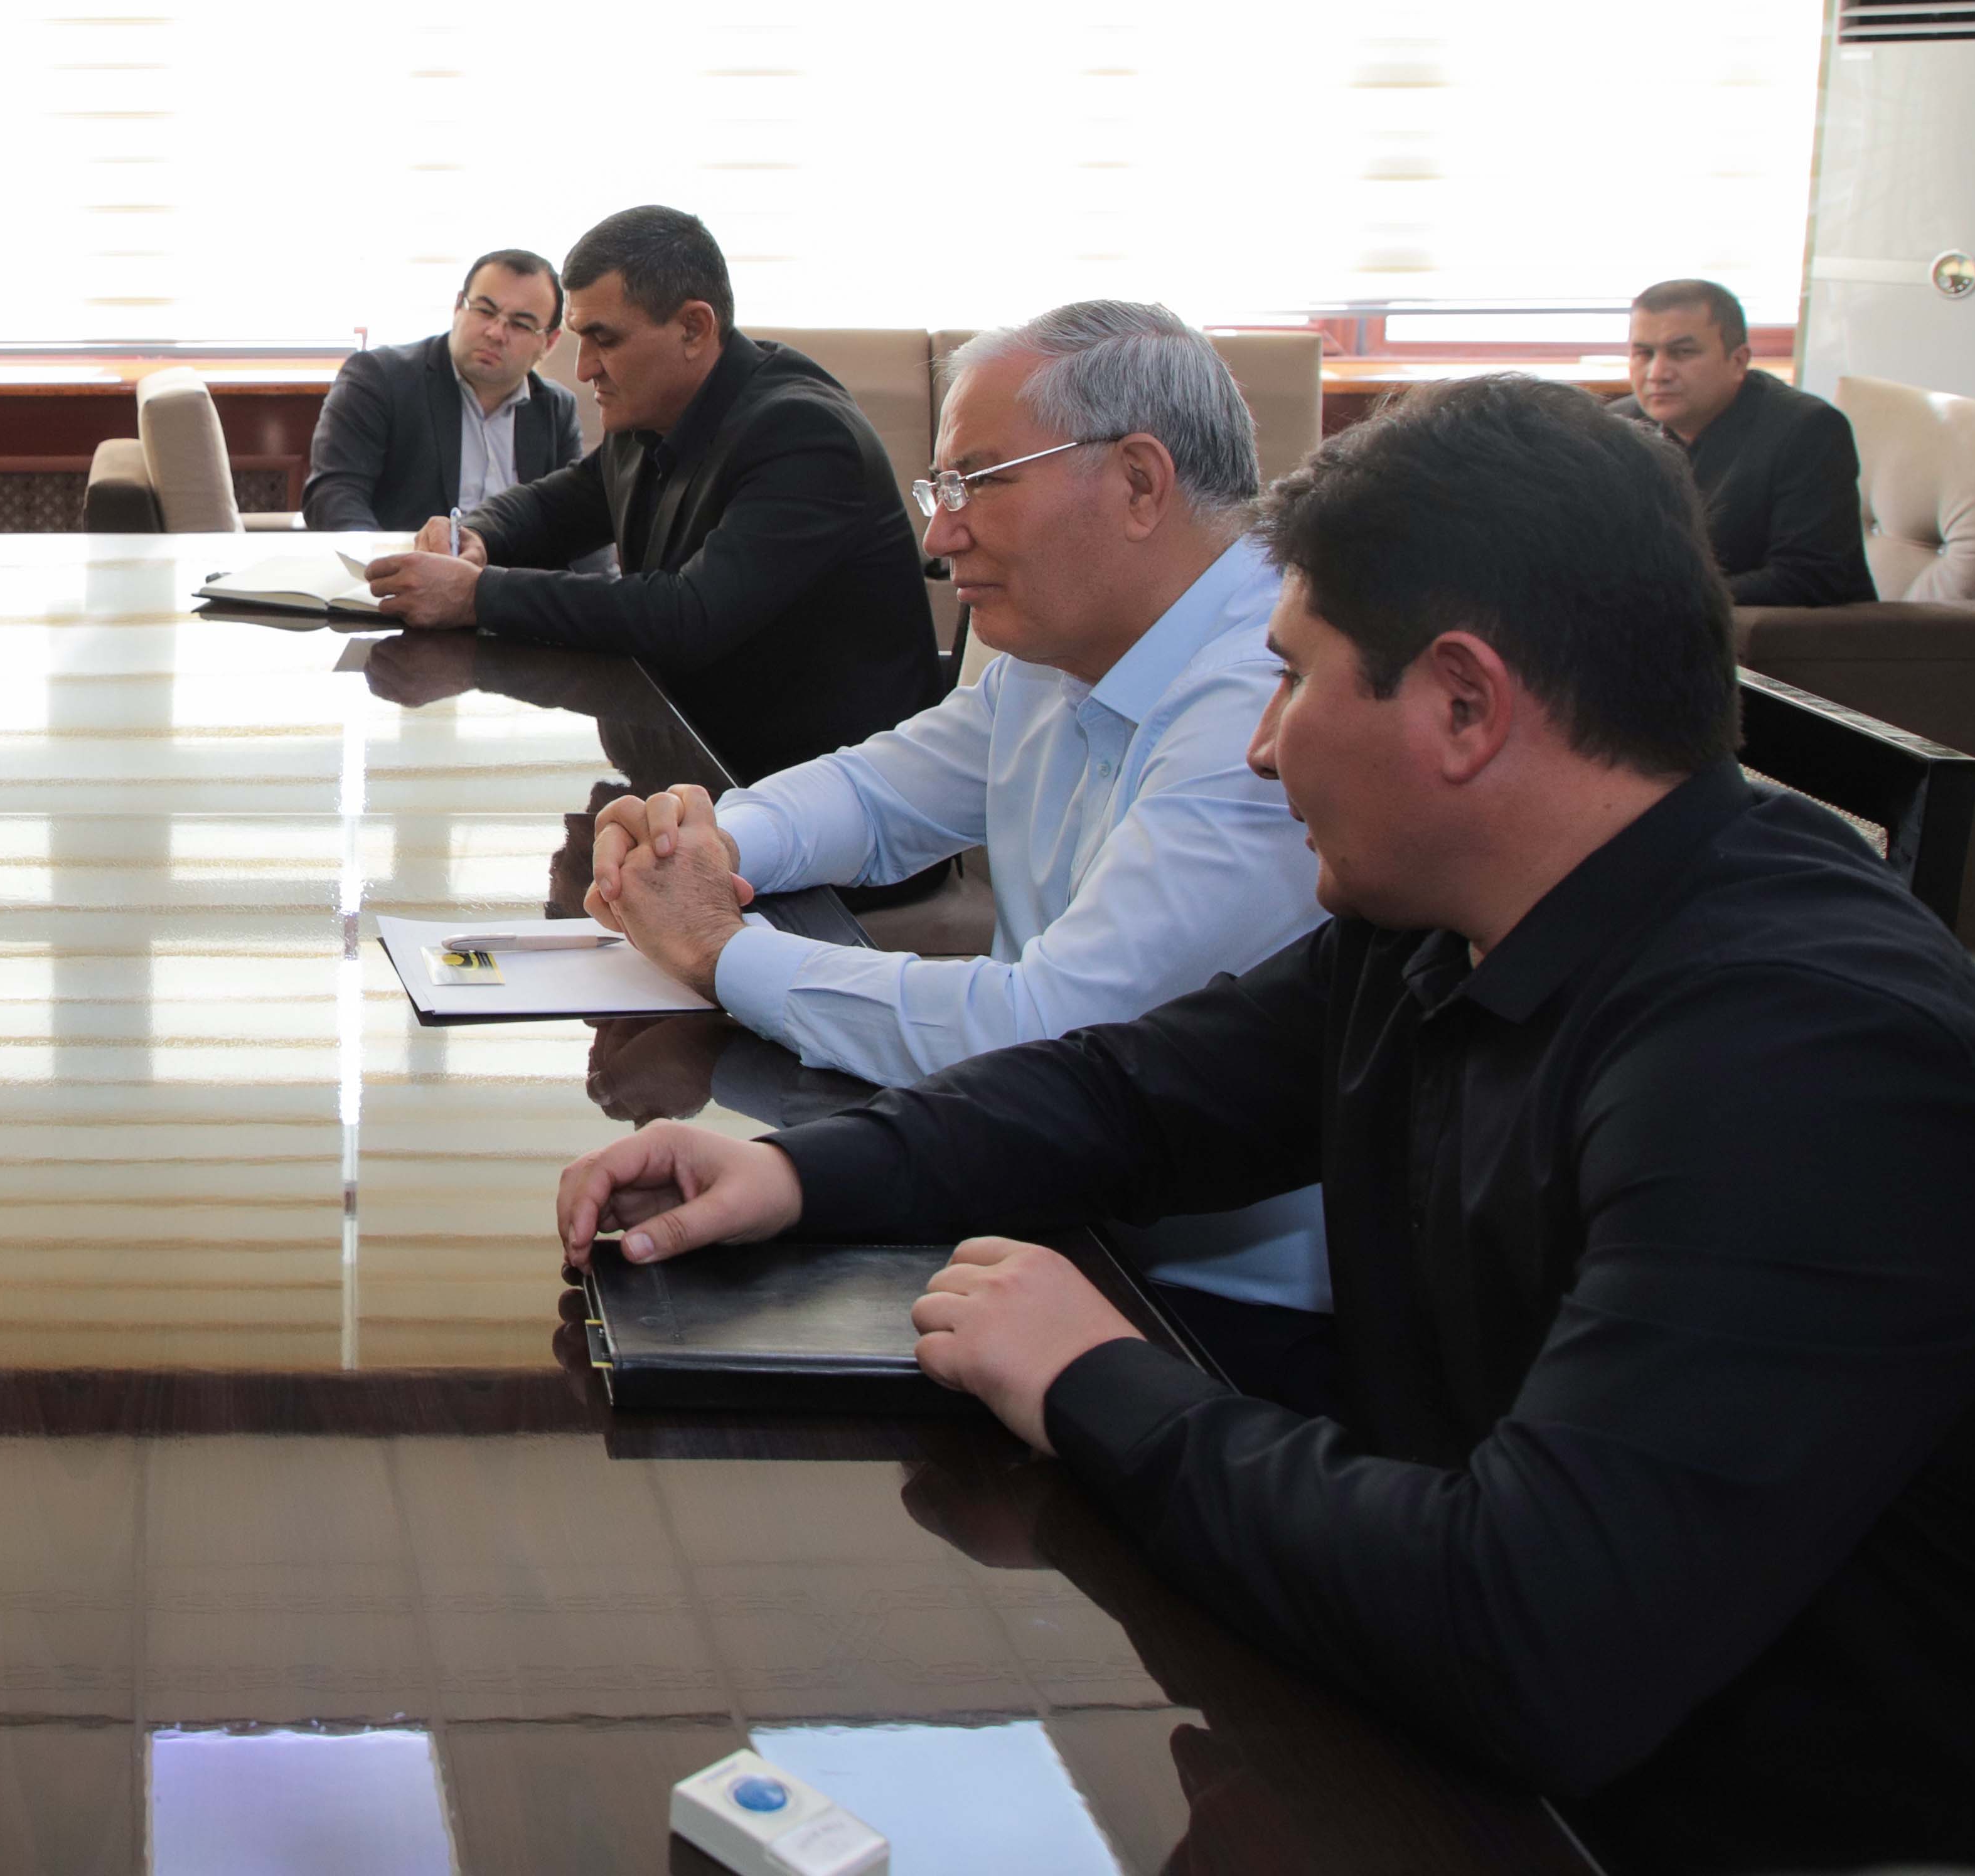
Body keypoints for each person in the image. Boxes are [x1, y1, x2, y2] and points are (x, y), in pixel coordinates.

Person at [554, 375, 1975, 1876]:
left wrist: (1094, 1377)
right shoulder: (1454, 913)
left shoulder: (1804, 1064)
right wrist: (794, 1170)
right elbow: (1136, 1090)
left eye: (1292, 680)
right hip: (1512, 1699)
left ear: (1465, 706)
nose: (1262, 742)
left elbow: (1526, 1632)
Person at [575, 302, 1333, 1405]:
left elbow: (1050, 1030)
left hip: (1211, 1319)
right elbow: (880, 792)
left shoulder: (1270, 703)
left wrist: (721, 952)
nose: (940, 537)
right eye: (944, 490)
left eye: (980, 483)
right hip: (1041, 1207)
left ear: (1137, 482)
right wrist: (701, 834)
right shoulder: (1070, 645)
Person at [362, 205, 936, 779]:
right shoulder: (654, 408)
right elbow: (556, 506)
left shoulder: (805, 435)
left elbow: (688, 616)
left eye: (605, 340)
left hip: (823, 795)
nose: (584, 369)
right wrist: (474, 534)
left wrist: (476, 595)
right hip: (693, 756)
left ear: (694, 328)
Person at [1608, 276, 1870, 605]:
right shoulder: (1616, 427)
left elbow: (1808, 578)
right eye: (1643, 354)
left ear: (1738, 362)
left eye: (1683, 353)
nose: (1658, 373)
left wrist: (1658, 602)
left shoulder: (1807, 430)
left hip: (1788, 632)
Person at [302, 248, 582, 531]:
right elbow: (334, 495)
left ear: (549, 342)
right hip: (406, 557)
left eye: (521, 325)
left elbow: (575, 520)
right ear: (459, 306)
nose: (496, 333)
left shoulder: (555, 409)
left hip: (516, 561)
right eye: (485, 311)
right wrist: (385, 557)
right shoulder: (379, 379)